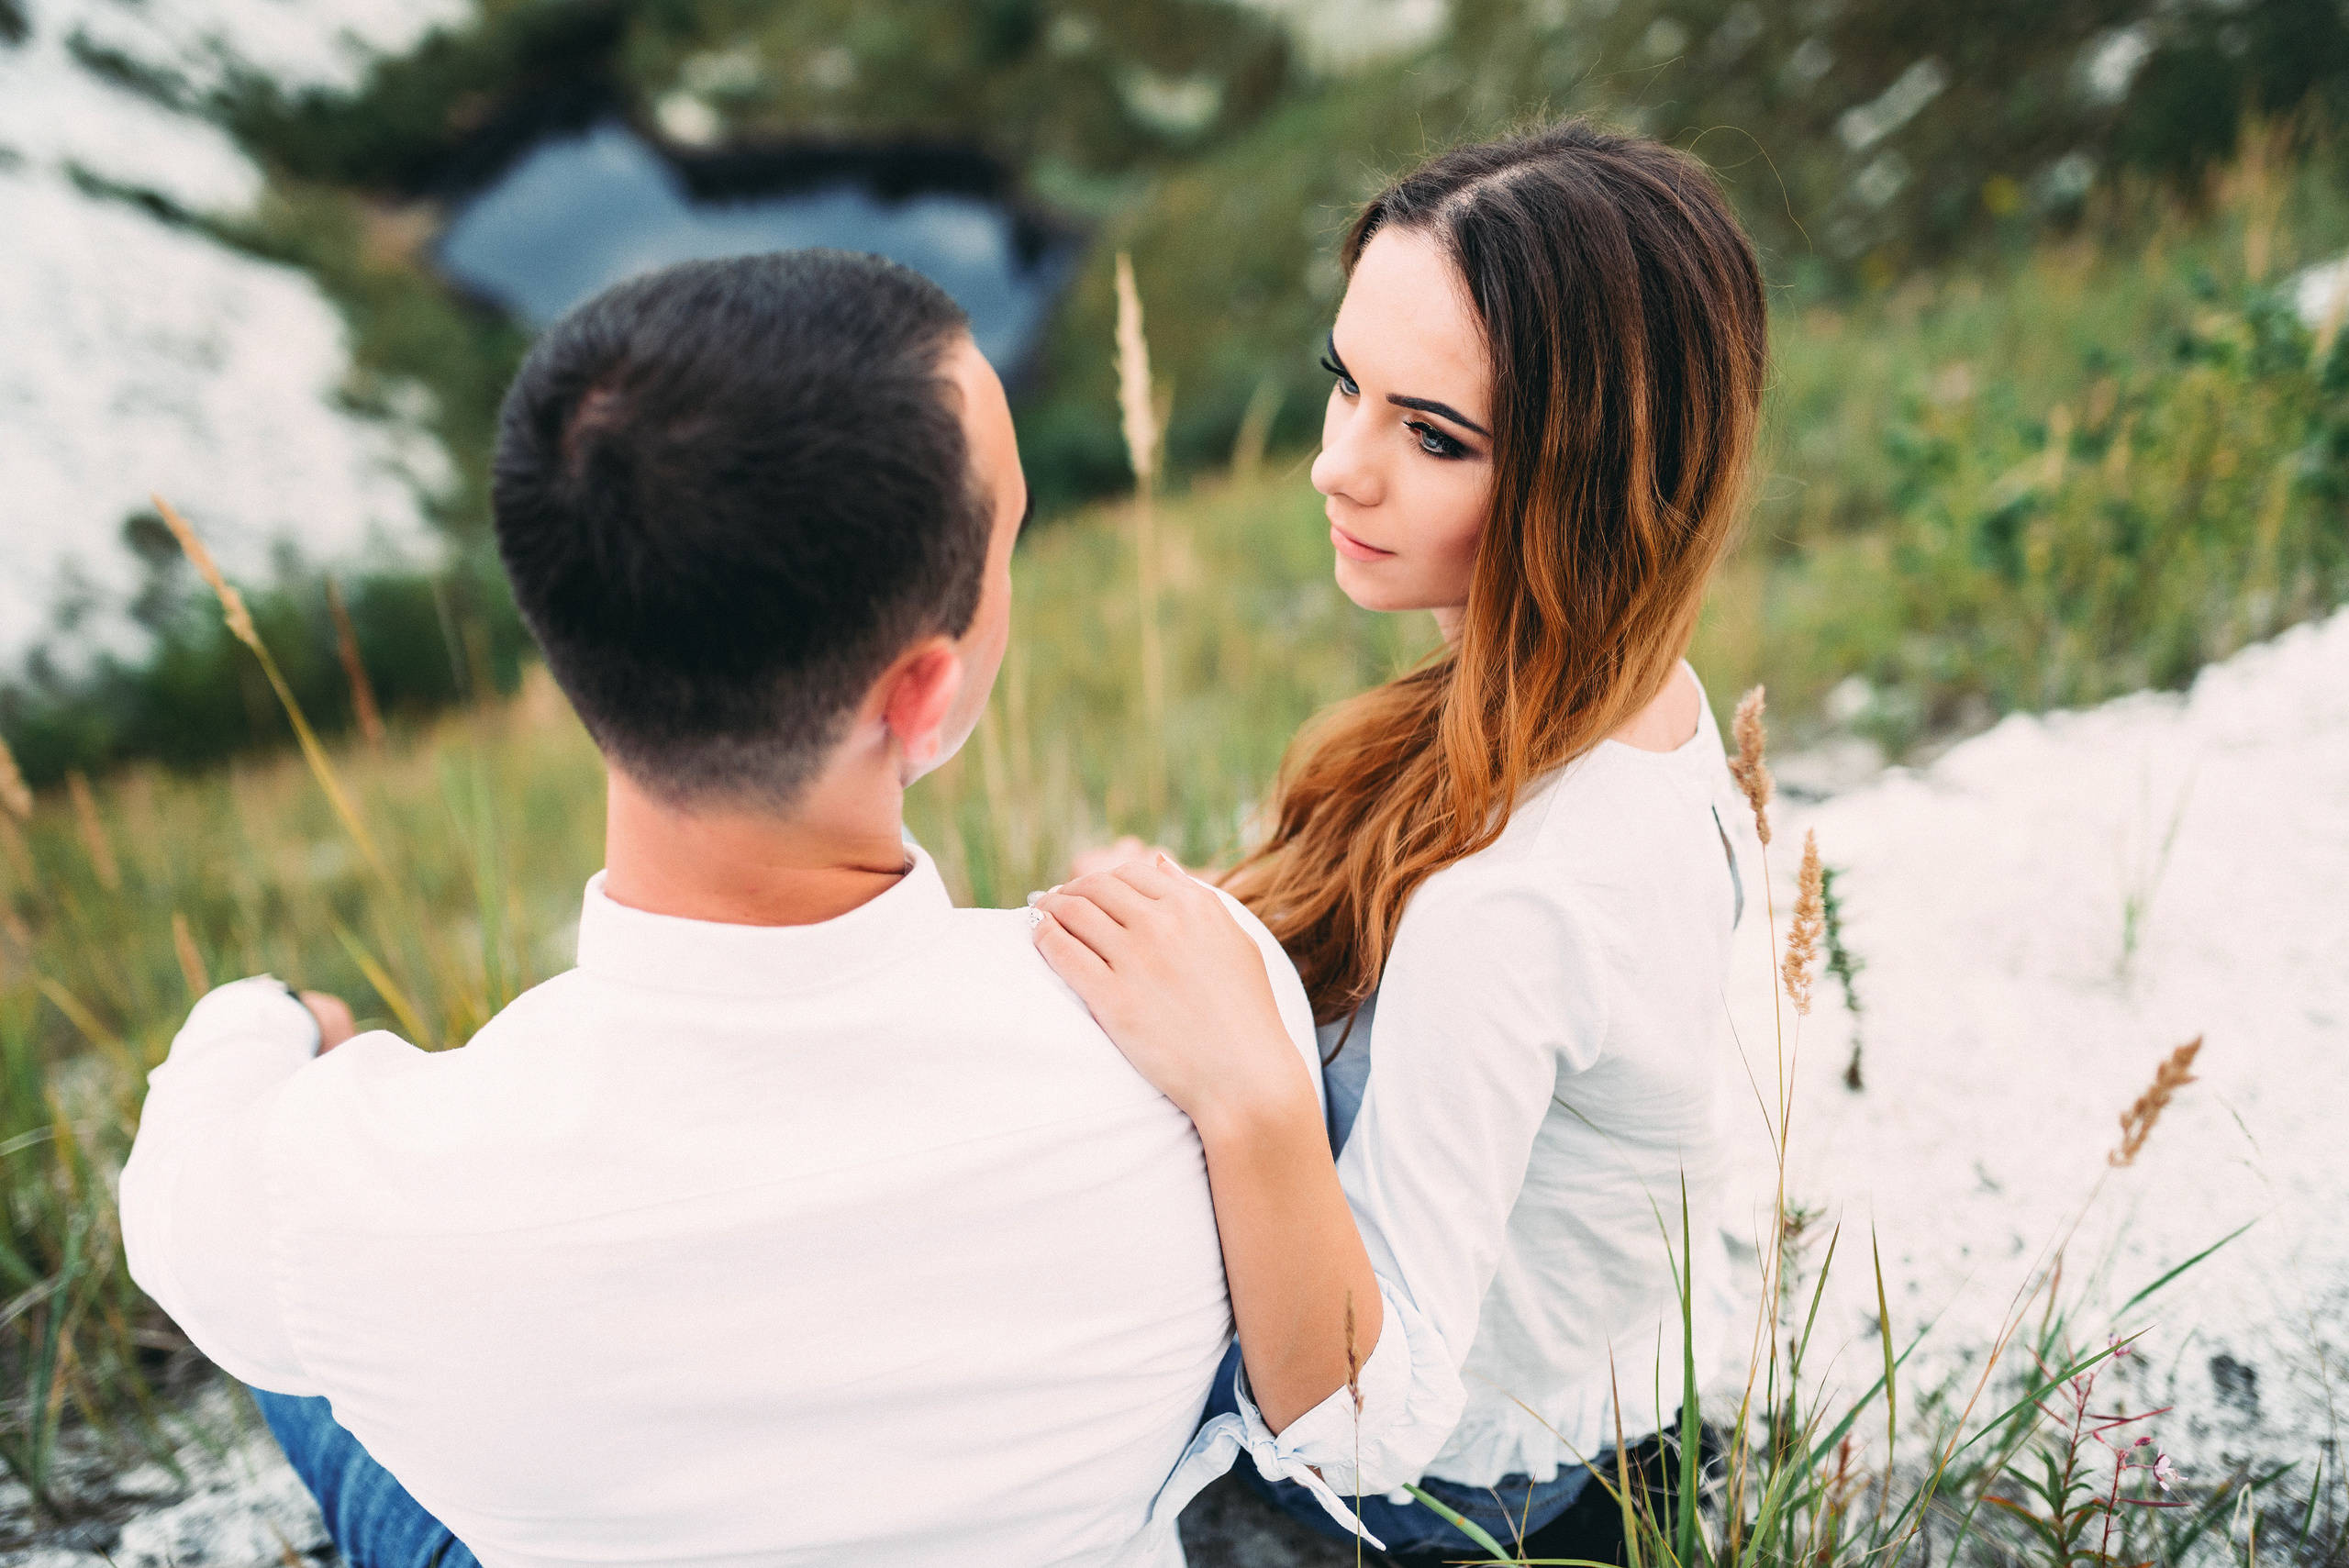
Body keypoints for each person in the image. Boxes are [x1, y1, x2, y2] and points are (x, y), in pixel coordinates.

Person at [118, 250, 1347, 1568]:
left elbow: (171, 1202)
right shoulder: (1207, 1034)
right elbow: (1329, 1390)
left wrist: (273, 1019)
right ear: (923, 692)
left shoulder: (353, 1184)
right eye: (1007, 542)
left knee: (320, 1356)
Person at [1032, 119, 1768, 1565]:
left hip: (1480, 1504)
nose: (1337, 466)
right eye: (1345, 384)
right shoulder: (1635, 697)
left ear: (1587, 476)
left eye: (1432, 435)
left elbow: (1370, 1425)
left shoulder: (1511, 898)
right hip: (1611, 1399)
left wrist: (1247, 1088)